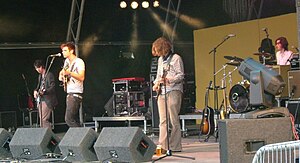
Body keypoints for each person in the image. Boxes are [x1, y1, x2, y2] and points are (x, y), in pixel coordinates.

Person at [152, 37, 184, 152]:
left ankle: (175, 146)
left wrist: (169, 80)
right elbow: (158, 75)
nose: (157, 53)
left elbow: (181, 76)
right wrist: (156, 84)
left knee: (173, 120)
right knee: (163, 120)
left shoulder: (176, 58)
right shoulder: (160, 60)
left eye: (158, 50)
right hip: (162, 92)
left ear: (163, 48)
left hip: (174, 91)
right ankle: (163, 146)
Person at [59, 42, 85, 127]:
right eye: (62, 50)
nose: (63, 52)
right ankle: (81, 136)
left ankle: (80, 136)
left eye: (65, 50)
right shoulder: (66, 62)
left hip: (75, 92)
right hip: (69, 92)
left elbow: (81, 77)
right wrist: (62, 76)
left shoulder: (79, 62)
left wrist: (69, 73)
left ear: (72, 51)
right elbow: (62, 73)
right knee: (73, 119)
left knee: (69, 119)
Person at [33, 59, 58, 128]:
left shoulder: (49, 75)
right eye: (36, 68)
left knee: (44, 119)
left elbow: (52, 87)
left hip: (47, 100)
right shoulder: (40, 76)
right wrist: (35, 90)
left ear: (41, 67)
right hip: (41, 100)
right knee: (41, 120)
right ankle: (46, 134)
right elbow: (38, 86)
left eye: (38, 68)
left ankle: (49, 135)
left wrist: (45, 91)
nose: (37, 70)